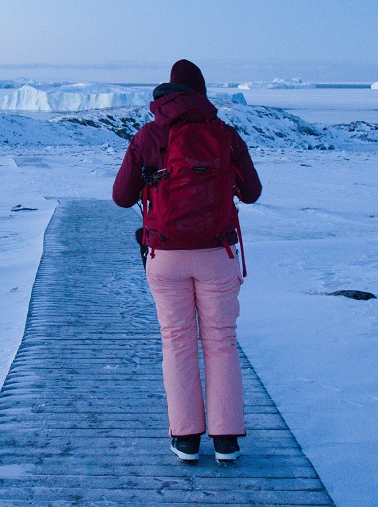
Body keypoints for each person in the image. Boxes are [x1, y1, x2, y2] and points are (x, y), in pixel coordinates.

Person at [112, 59, 262, 465]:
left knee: (177, 344)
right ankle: (227, 440)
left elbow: (122, 197)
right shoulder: (225, 135)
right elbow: (252, 193)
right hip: (217, 254)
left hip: (165, 255)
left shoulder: (148, 135)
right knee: (221, 342)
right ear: (202, 93)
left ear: (166, 93)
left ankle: (187, 438)